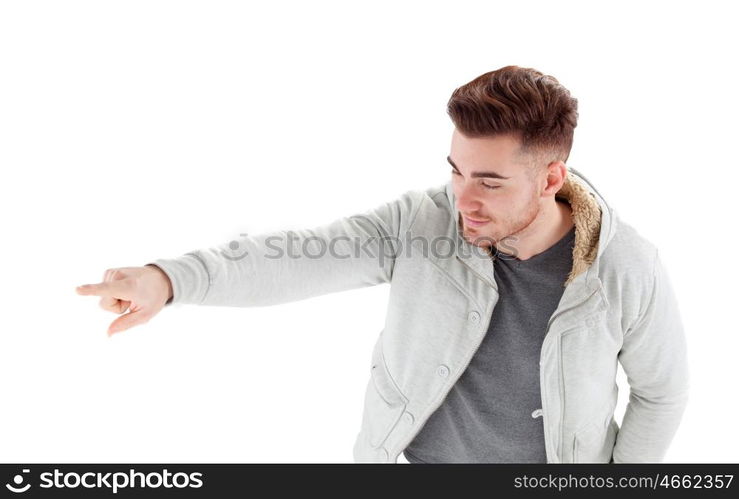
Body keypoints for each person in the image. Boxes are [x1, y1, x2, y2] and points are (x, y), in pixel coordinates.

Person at [76, 65, 690, 463]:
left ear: (551, 177)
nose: (463, 200)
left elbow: (661, 393)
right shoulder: (419, 223)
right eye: (455, 171)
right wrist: (171, 279)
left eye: (490, 182)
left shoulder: (625, 268)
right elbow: (294, 256)